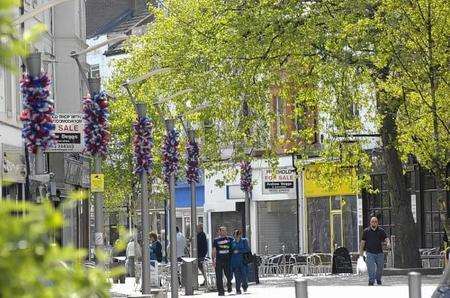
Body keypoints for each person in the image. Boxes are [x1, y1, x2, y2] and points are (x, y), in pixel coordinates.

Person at [359, 216, 390, 286]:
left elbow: (386, 238)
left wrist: (388, 243)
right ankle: (371, 281)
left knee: (380, 268)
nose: (374, 223)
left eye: (375, 222)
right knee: (371, 268)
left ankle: (378, 279)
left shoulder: (381, 230)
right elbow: (362, 242)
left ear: (377, 223)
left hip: (379, 253)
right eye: (373, 221)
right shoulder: (366, 231)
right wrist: (361, 253)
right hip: (369, 253)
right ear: (370, 223)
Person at [212, 226, 233, 296]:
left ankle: (229, 284)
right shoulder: (216, 240)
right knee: (219, 276)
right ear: (219, 232)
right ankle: (221, 291)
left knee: (229, 275)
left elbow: (233, 248)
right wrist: (213, 260)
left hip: (228, 260)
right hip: (219, 261)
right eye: (223, 231)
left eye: (225, 231)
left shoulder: (230, 239)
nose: (224, 232)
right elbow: (214, 250)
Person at [231, 229, 250, 294]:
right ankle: (238, 289)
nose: (236, 237)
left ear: (240, 235)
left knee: (244, 275)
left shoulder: (244, 241)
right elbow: (231, 251)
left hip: (243, 261)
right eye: (235, 235)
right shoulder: (232, 242)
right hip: (235, 261)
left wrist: (239, 251)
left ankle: (245, 286)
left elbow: (247, 249)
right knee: (237, 276)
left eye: (237, 235)